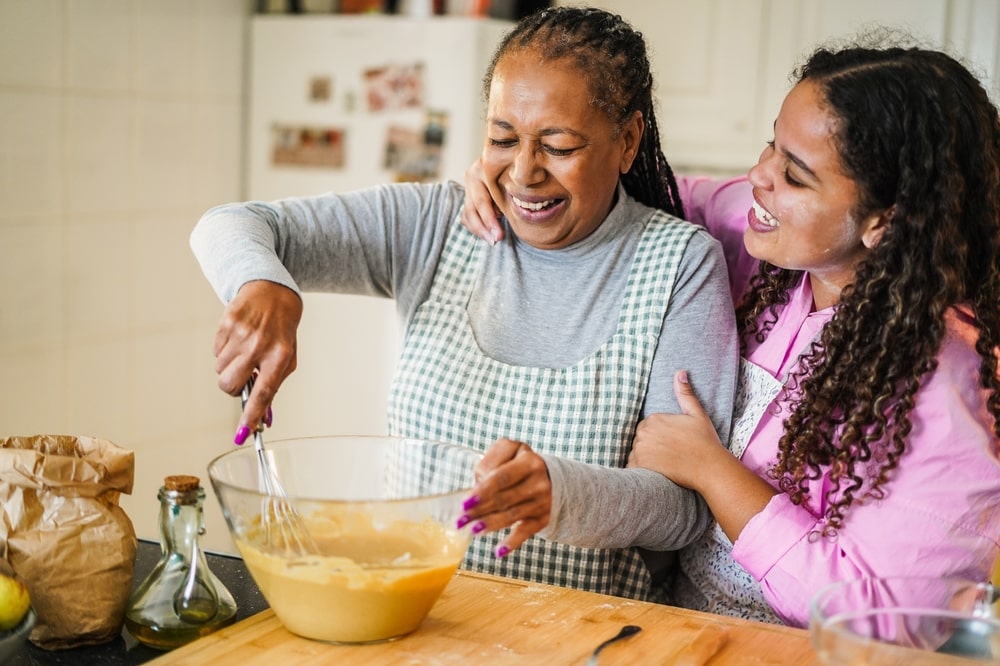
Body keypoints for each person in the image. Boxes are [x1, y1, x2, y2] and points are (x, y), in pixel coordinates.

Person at [190, 6, 740, 603]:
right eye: (503, 139)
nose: (524, 173)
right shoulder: (438, 223)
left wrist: (560, 493)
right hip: (409, 611)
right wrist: (264, 285)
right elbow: (232, 223)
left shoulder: (681, 266)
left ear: (627, 140)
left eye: (557, 146)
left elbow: (683, 510)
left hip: (583, 637)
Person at [461, 33, 1000, 628]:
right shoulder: (765, 243)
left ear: (884, 222)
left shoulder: (955, 390)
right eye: (772, 144)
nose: (757, 176)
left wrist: (714, 472)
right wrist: (508, 173)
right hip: (682, 628)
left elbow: (890, 621)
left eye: (794, 175)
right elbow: (647, 195)